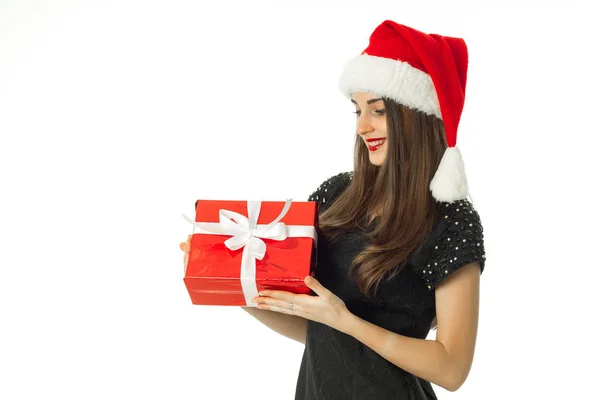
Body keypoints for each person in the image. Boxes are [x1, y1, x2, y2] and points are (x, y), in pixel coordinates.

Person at [180, 19, 486, 400]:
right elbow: (314, 327)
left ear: (416, 115)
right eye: (357, 111)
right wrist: (229, 282)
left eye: (377, 111)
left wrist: (346, 320)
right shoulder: (338, 194)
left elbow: (452, 367)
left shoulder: (450, 219)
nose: (363, 127)